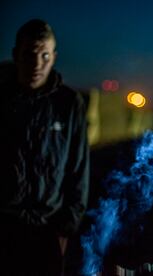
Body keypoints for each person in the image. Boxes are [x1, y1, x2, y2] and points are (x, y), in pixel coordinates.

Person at [0, 19, 89, 275]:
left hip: (47, 228)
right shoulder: (2, 98)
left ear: (54, 57)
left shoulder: (68, 104)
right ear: (16, 54)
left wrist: (67, 227)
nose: (37, 64)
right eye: (30, 54)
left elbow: (78, 167)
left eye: (45, 55)